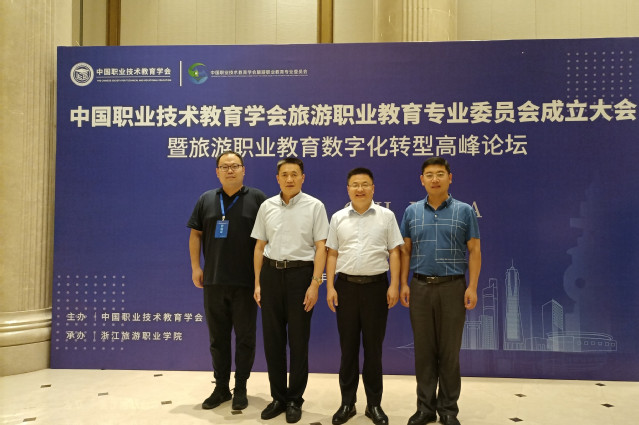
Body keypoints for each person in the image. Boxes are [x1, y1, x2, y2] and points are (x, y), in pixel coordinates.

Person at [399, 157, 481, 425]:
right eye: (429, 175)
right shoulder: (411, 212)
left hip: (453, 287)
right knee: (424, 352)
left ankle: (448, 410)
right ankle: (425, 408)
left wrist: (472, 286)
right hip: (420, 286)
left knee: (449, 352)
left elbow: (474, 250)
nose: (435, 179)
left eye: (440, 174)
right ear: (421, 180)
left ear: (450, 177)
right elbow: (405, 251)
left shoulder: (464, 211)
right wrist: (403, 283)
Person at [251, 157, 329, 424]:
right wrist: (258, 283)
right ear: (277, 178)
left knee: (298, 341)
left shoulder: (315, 206)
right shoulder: (267, 206)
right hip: (271, 275)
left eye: (294, 174)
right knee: (272, 341)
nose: (289, 179)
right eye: (284, 174)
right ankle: (278, 398)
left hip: (300, 275)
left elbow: (321, 247)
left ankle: (295, 399)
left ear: (303, 177)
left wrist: (315, 283)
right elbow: (259, 247)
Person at [187, 151, 266, 411]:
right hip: (214, 281)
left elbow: (267, 239)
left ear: (244, 170)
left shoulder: (257, 199)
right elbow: (195, 234)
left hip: (246, 282)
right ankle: (221, 387)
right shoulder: (206, 199)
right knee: (217, 339)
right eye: (224, 166)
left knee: (245, 338)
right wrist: (196, 267)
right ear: (217, 172)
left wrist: (261, 278)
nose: (230, 170)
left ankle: (240, 387)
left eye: (235, 166)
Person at [325, 167, 404, 425]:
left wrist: (394, 285)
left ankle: (374, 405)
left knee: (373, 350)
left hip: (376, 288)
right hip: (345, 288)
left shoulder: (386, 216)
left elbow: (394, 251)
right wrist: (330, 287)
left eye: (365, 184)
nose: (360, 189)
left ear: (373, 188)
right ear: (348, 189)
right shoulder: (338, 217)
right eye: (355, 185)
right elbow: (332, 253)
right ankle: (347, 403)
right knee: (347, 350)